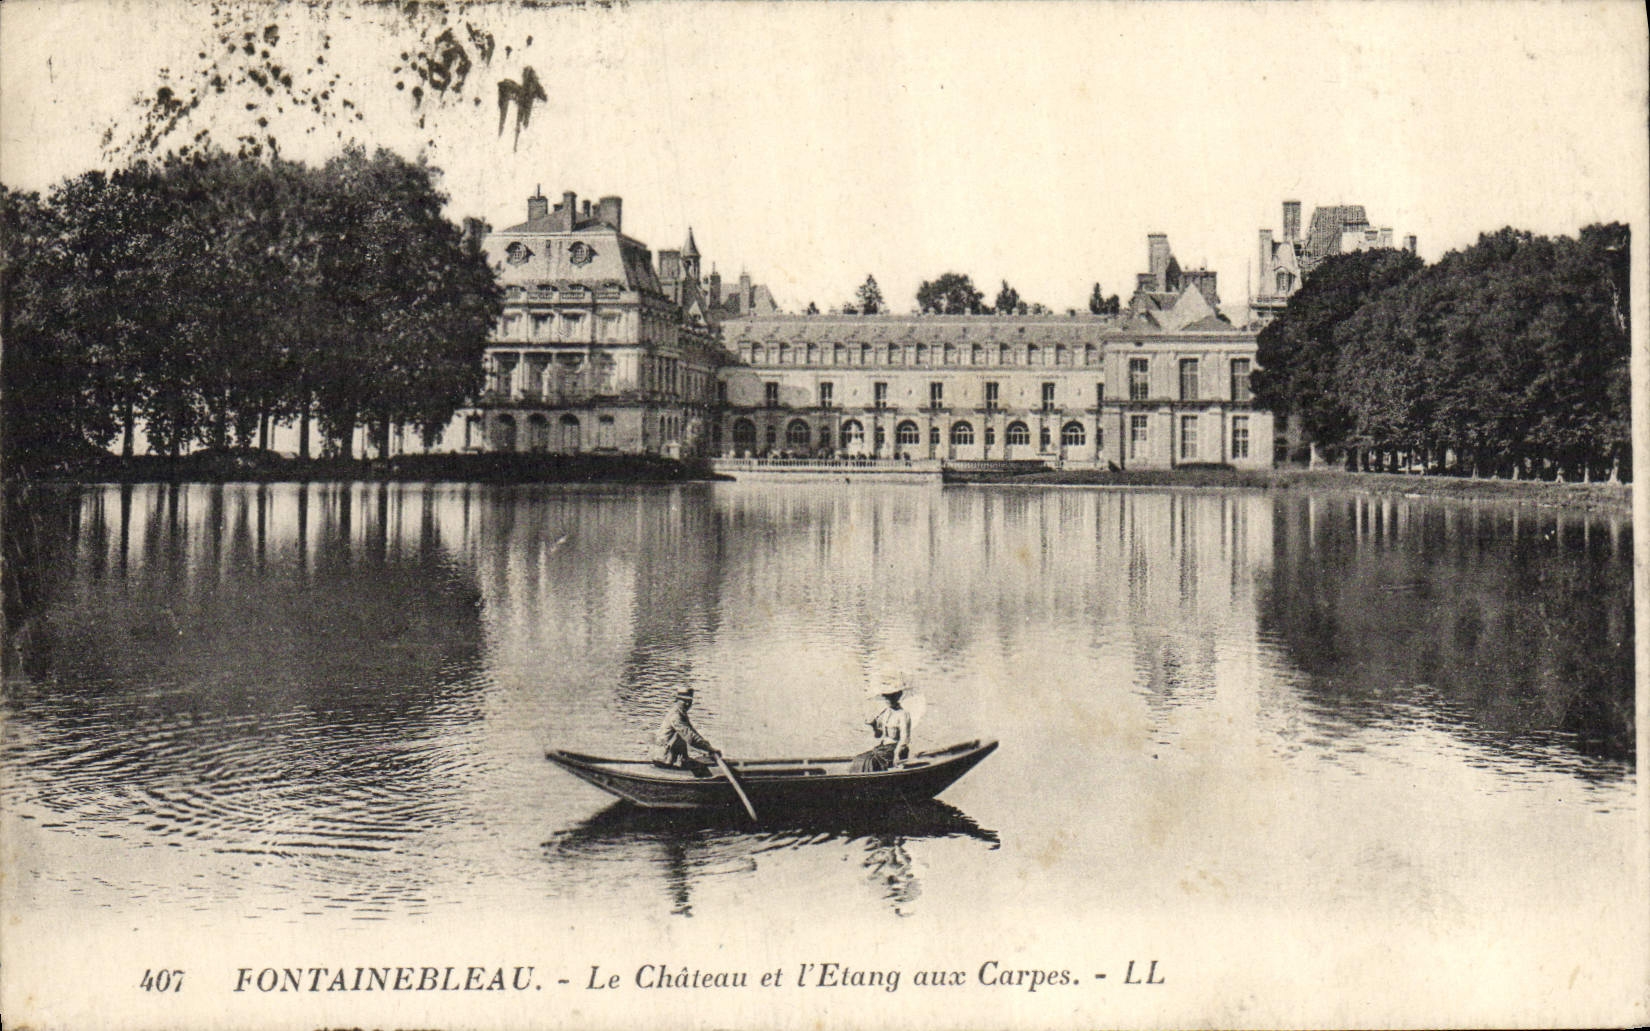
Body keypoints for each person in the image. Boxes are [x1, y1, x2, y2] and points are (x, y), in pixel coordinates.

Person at [654, 687, 718, 775]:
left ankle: (684, 760)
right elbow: (690, 737)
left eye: (689, 702)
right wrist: (709, 749)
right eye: (685, 701)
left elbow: (693, 733)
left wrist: (707, 746)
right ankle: (679, 763)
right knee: (680, 735)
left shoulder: (680, 712)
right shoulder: (676, 715)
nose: (688, 704)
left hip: (668, 752)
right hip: (664, 758)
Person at [850, 685, 912, 773]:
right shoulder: (885, 713)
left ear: (897, 697)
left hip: (896, 750)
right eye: (886, 697)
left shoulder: (903, 714)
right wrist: (873, 726)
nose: (888, 700)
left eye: (891, 697)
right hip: (883, 748)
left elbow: (905, 739)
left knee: (871, 761)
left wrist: (897, 754)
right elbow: (878, 735)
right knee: (859, 759)